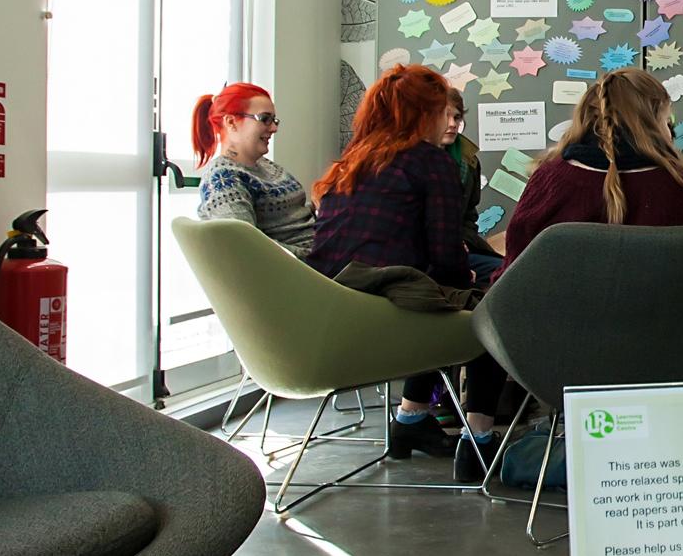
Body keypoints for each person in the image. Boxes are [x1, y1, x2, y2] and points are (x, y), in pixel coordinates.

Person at [305, 64, 506, 482]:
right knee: (497, 310)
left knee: (439, 294)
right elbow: (448, 262)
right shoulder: (433, 164)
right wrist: (465, 277)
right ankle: (479, 443)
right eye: (441, 111)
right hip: (389, 311)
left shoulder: (351, 162)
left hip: (331, 308)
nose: (448, 120)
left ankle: (410, 423)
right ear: (424, 114)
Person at [501, 69, 683, 269]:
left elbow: (514, 267)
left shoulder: (551, 177)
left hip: (560, 307)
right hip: (657, 307)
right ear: (654, 125)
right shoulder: (680, 183)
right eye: (667, 120)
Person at [193, 83, 316, 258]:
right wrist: (315, 256)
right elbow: (244, 245)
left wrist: (320, 206)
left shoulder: (266, 166)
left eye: (274, 120)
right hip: (305, 270)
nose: (274, 128)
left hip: (321, 258)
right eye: (265, 119)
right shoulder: (222, 178)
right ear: (231, 122)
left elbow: (292, 218)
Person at [440, 88, 505, 282]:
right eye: (445, 117)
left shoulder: (468, 161)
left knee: (509, 273)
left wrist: (463, 241)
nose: (452, 124)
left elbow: (469, 215)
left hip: (461, 247)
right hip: (423, 252)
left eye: (457, 117)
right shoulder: (412, 159)